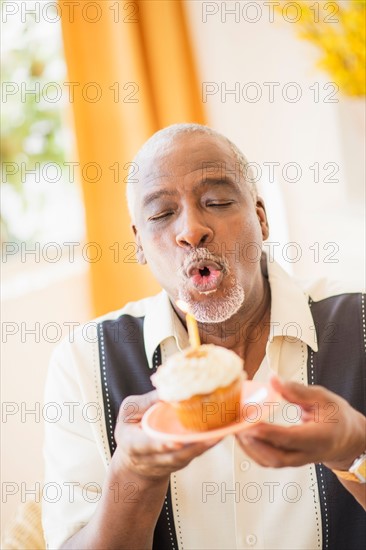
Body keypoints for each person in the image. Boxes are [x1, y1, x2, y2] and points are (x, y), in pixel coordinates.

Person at [42, 123, 365, 550]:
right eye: (160, 214)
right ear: (139, 244)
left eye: (218, 201)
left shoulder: (357, 326)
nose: (191, 230)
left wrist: (354, 451)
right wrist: (133, 473)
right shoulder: (85, 362)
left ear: (261, 218)